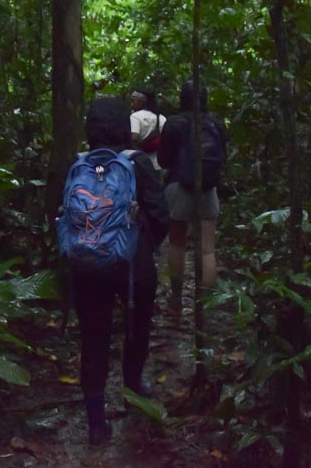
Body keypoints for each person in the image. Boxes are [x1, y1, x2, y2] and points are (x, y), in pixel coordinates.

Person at [69, 97, 169, 445]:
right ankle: (133, 388)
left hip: (87, 265)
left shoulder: (77, 164)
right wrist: (142, 245)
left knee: (93, 340)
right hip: (133, 265)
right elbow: (160, 214)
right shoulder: (138, 162)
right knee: (135, 329)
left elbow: (59, 215)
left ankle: (97, 423)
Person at [157, 80, 227, 313]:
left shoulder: (174, 124)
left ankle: (176, 298)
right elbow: (223, 158)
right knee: (208, 248)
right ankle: (206, 304)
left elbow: (164, 160)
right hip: (208, 189)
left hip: (179, 187)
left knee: (176, 243)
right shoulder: (215, 123)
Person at [129, 89, 166, 170]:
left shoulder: (135, 116)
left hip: (141, 163)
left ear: (140, 102)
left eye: (133, 101)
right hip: (158, 164)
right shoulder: (161, 117)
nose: (131, 104)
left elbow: (134, 137)